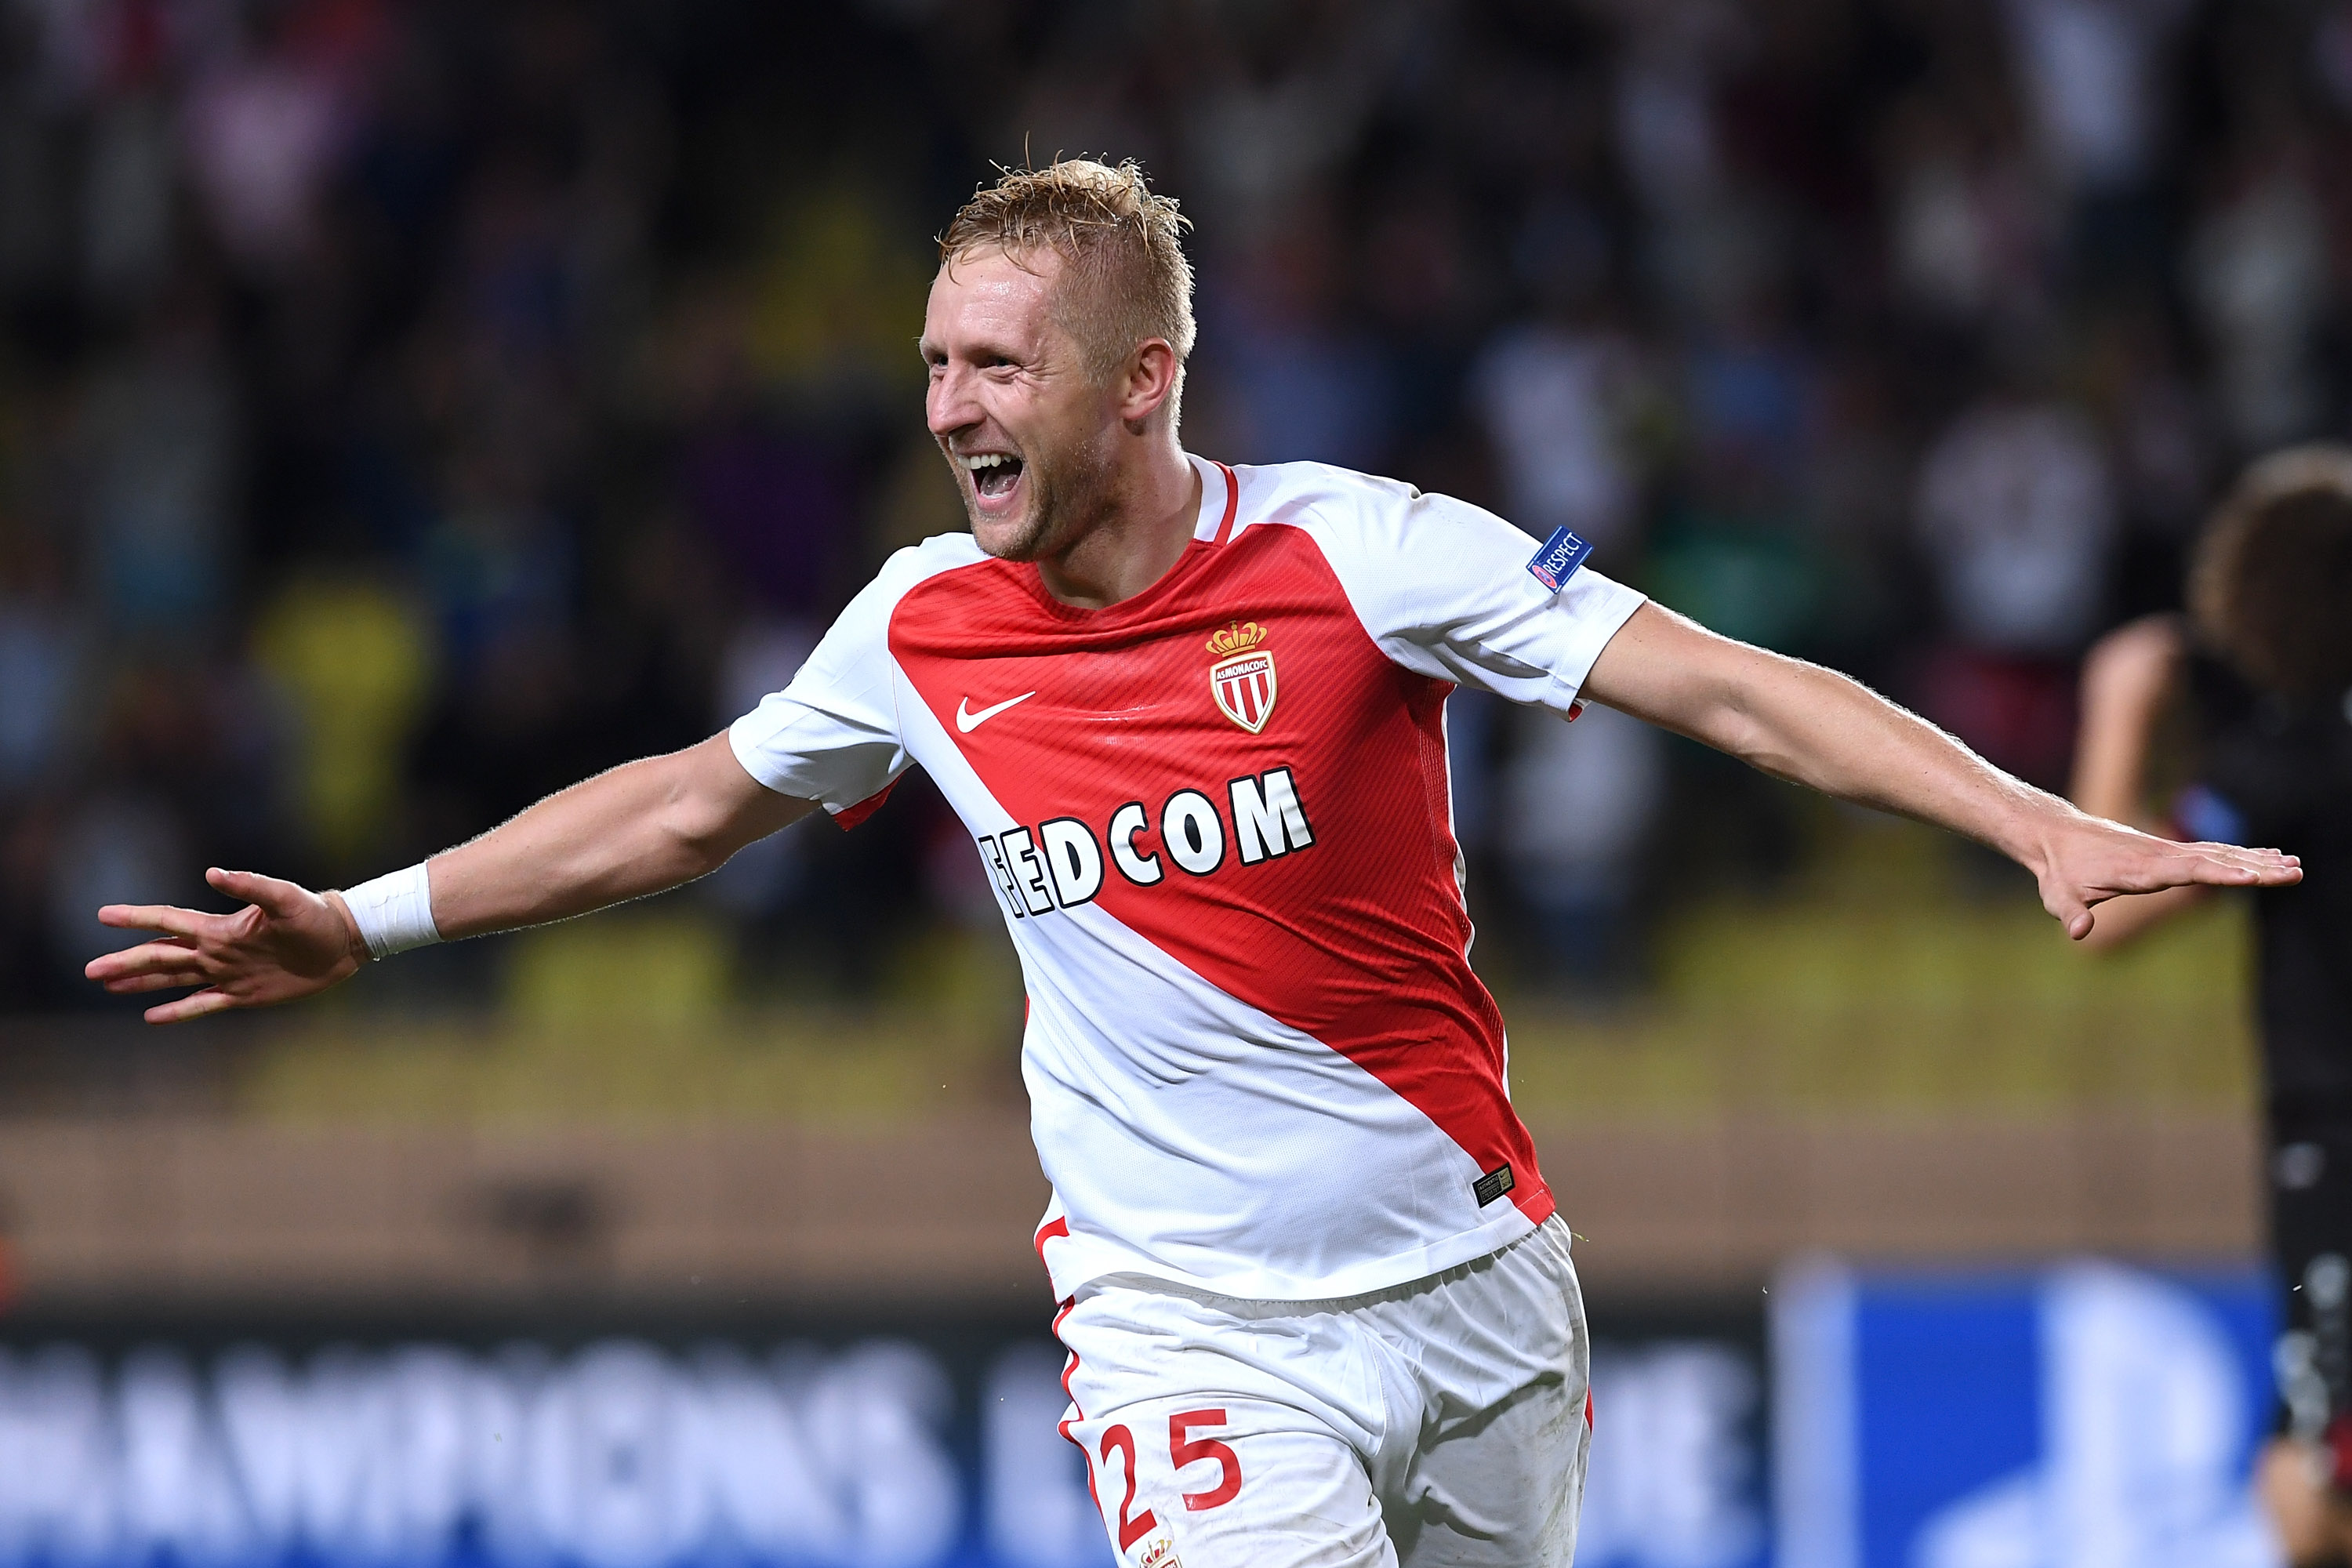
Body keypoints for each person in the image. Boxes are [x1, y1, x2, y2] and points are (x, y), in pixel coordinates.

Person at [89, 161, 2297, 1568]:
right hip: (1191, 1331)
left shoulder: (1362, 553)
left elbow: (1717, 685)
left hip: (1482, 1292)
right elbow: (681, 803)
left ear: (1139, 382)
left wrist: (2031, 820)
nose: (956, 403)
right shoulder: (916, 629)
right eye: (938, 358)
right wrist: (367, 922)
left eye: (1002, 364)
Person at [2071, 444, 2352, 1568]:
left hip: (2336, 1151)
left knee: (2310, 1490)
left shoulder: (2291, 767)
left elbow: (2102, 909)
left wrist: (2118, 707)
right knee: (2294, 1476)